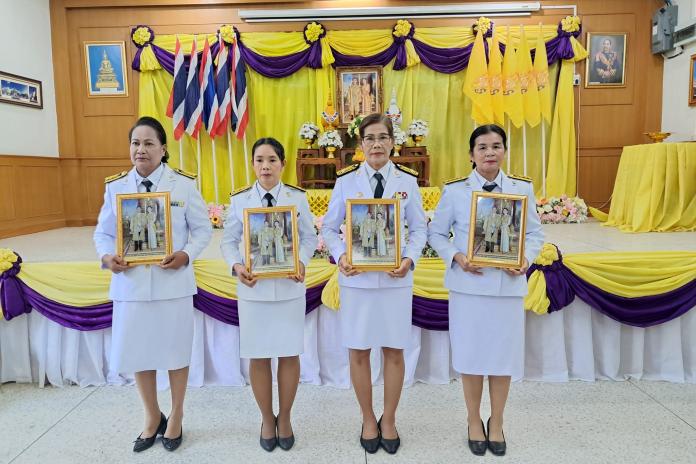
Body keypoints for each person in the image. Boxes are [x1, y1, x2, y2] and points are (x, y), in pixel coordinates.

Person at [94, 116, 212, 453]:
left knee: (175, 352)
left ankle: (176, 414)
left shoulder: (183, 185)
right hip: (130, 286)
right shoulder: (116, 187)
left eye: (148, 143)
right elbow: (103, 233)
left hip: (172, 284)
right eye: (135, 143)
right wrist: (107, 258)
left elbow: (202, 230)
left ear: (163, 149)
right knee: (138, 353)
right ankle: (151, 416)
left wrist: (186, 255)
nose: (140, 149)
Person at [428, 124, 543, 457]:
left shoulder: (521, 189)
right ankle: (474, 419)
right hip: (469, 287)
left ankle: (497, 421)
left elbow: (534, 233)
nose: (490, 152)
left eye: (496, 146)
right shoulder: (455, 191)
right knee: (472, 356)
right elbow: (437, 234)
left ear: (504, 150)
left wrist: (525, 258)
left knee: (502, 358)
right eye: (482, 147)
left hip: (507, 287)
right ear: (471, 154)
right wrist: (457, 257)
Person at [321, 113, 427, 455]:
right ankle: (368, 417)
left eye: (383, 137)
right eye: (370, 138)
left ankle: (390, 418)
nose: (377, 144)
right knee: (359, 350)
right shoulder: (346, 181)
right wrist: (340, 256)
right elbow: (328, 228)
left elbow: (420, 229)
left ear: (392, 142)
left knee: (395, 350)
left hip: (396, 282)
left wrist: (409, 258)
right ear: (360, 144)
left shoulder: (407, 182)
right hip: (358, 282)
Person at [221, 137, 317, 452]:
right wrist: (236, 266)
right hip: (254, 289)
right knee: (259, 356)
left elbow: (308, 237)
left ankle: (285, 417)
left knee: (289, 353)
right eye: (260, 160)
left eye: (272, 160)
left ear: (282, 164)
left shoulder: (297, 198)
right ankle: (266, 418)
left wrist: (301, 261)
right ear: (253, 164)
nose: (266, 166)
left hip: (289, 288)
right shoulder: (240, 200)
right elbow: (228, 241)